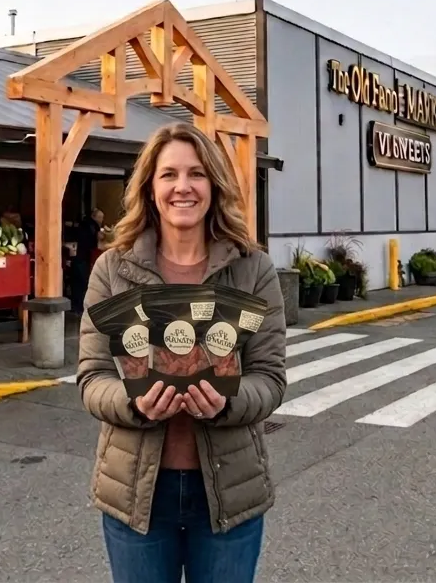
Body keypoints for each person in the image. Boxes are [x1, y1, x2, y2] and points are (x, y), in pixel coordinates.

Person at [77, 122, 287, 583]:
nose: (183, 187)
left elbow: (270, 377)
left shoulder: (252, 269)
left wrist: (228, 401)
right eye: (169, 174)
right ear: (150, 188)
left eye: (196, 173)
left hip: (229, 492)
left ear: (214, 184)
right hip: (137, 493)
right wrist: (132, 403)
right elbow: (92, 378)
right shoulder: (113, 269)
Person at [71, 207, 105, 318]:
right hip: (84, 258)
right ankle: (80, 308)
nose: (101, 220)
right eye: (99, 217)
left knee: (78, 284)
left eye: (102, 218)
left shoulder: (85, 224)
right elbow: (95, 240)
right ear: (94, 217)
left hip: (79, 257)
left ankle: (77, 307)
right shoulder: (92, 226)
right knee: (83, 283)